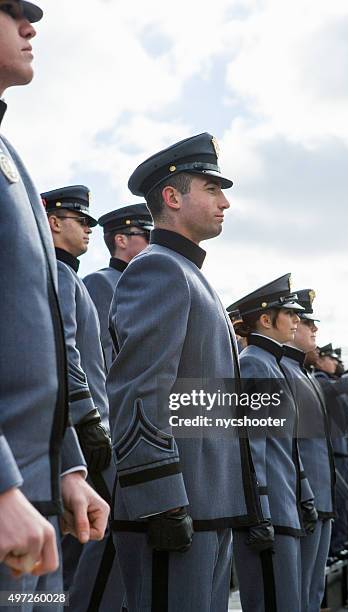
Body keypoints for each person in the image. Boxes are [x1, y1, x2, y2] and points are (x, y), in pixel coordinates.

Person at [107, 133, 263, 611]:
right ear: (172, 197)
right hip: (175, 508)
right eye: (212, 189)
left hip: (208, 506)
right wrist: (161, 501)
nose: (226, 202)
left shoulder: (191, 275)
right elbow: (139, 391)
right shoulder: (159, 270)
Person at [0, 3, 109, 608]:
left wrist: (66, 466)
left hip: (33, 496)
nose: (31, 25)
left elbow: (35, 346)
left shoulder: (11, 158)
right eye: (9, 11)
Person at [43, 185, 125, 611]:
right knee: (78, 546)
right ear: (54, 223)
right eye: (81, 221)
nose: (90, 230)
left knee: (77, 548)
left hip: (80, 428)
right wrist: (88, 421)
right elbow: (65, 351)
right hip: (76, 434)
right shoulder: (58, 274)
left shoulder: (68, 275)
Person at [228, 274, 316, 612]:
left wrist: (302, 495)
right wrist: (261, 513)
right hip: (270, 514)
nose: (296, 320)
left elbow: (286, 445)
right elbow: (252, 448)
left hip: (282, 509)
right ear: (265, 320)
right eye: (289, 314)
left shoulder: (270, 365)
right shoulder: (254, 364)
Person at [281, 289, 335, 612]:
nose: (313, 328)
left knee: (311, 595)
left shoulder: (304, 374)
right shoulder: (282, 371)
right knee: (296, 597)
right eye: (303, 320)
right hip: (301, 504)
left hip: (319, 501)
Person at [83, 203, 152, 369]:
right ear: (121, 240)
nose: (153, 242)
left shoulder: (150, 285)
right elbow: (102, 351)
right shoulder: (101, 282)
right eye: (147, 235)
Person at [314, 343, 348, 558]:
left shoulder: (330, 382)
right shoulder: (320, 380)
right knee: (336, 501)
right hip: (332, 450)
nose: (336, 364)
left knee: (344, 500)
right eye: (331, 359)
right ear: (320, 360)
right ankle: (334, 547)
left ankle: (341, 541)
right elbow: (335, 389)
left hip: (341, 448)